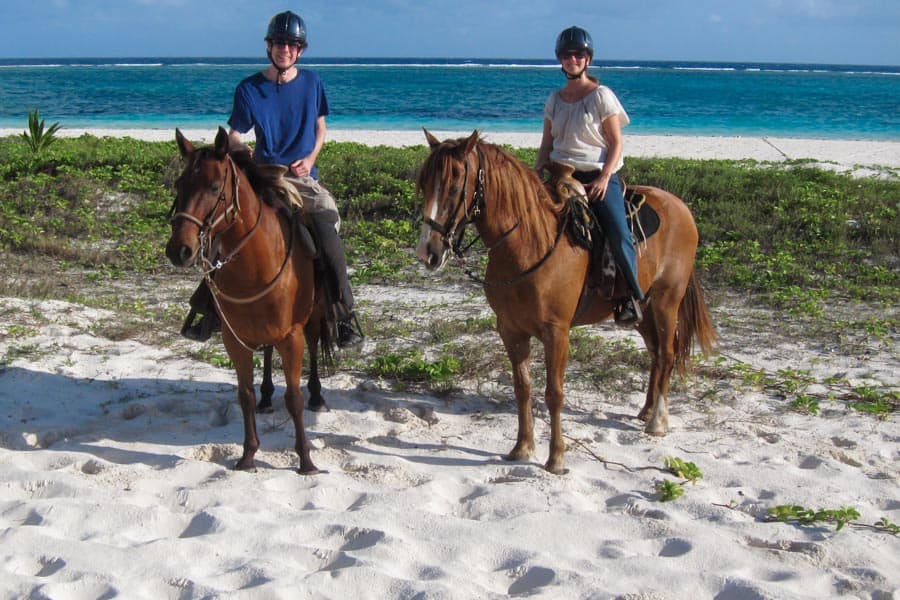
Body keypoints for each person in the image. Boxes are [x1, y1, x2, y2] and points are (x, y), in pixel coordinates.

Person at [182, 10, 364, 347]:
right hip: (265, 175)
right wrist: (241, 148)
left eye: (291, 44)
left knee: (326, 230)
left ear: (300, 50)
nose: (284, 49)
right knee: (223, 230)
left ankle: (343, 314)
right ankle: (206, 309)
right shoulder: (249, 88)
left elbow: (320, 128)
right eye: (279, 43)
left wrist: (310, 160)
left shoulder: (313, 83)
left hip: (301, 179)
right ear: (269, 47)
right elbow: (235, 133)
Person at [534, 25, 645, 325]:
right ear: (560, 59)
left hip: (596, 176)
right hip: (560, 176)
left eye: (579, 55)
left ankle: (630, 297)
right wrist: (535, 172)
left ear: (587, 59)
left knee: (618, 232)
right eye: (567, 55)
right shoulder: (554, 100)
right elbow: (547, 143)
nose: (573, 60)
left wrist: (604, 178)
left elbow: (616, 142)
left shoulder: (601, 96)